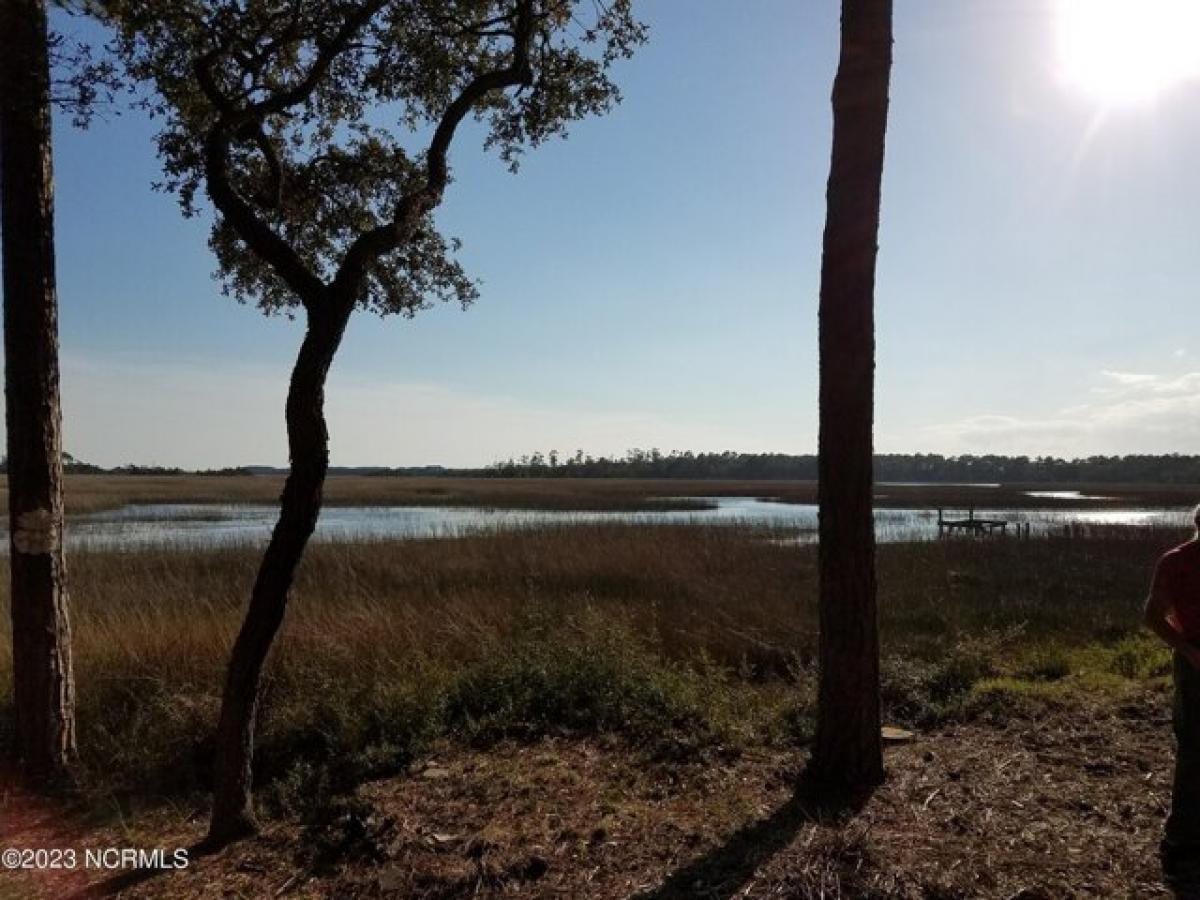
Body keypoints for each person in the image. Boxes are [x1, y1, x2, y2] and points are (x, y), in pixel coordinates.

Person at [1146, 505, 1200, 887]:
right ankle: (1179, 843)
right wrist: (1190, 652)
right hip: (1195, 664)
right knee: (1194, 750)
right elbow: (1152, 615)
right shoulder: (1176, 562)